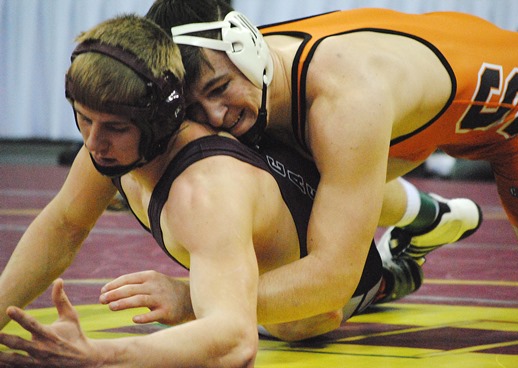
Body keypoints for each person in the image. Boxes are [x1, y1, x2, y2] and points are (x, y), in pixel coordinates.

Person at [0, 13, 438, 367]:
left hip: (320, 294)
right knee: (338, 187)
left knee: (295, 323)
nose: (93, 143)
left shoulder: (205, 191)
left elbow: (233, 339)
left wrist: (101, 354)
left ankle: (410, 244)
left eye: (113, 127)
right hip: (293, 197)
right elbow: (63, 224)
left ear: (158, 120)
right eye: (84, 119)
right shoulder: (117, 143)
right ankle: (428, 215)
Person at [145, 0, 518, 319]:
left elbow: (333, 278)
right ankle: (430, 217)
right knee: (318, 170)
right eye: (196, 109)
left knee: (306, 299)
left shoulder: (344, 103)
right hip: (447, 52)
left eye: (219, 89)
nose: (215, 116)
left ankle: (419, 226)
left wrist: (194, 302)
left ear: (248, 47)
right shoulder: (241, 58)